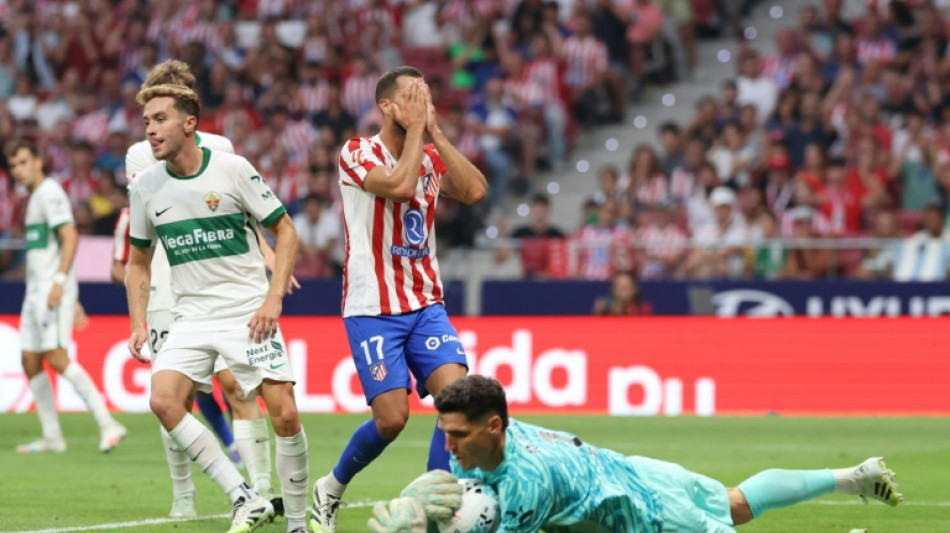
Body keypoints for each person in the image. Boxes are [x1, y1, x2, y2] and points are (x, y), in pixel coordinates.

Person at [369, 375, 902, 533]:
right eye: (444, 432)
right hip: (639, 474)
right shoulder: (491, 438)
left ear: (493, 427)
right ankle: (852, 477)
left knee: (738, 509)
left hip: (650, 518)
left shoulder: (528, 479)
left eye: (458, 435)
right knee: (737, 504)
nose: (448, 446)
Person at [310, 65, 487, 533]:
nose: (422, 101)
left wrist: (435, 133)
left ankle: (434, 510)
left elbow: (474, 190)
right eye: (413, 95)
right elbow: (400, 186)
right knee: (391, 420)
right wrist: (418, 137)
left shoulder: (428, 154)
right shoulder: (356, 151)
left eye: (426, 93)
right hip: (373, 307)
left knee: (457, 402)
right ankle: (330, 488)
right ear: (386, 106)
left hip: (425, 303)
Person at [125, 84, 308, 533]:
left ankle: (297, 523)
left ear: (190, 124)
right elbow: (138, 261)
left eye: (160, 119)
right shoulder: (145, 186)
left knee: (284, 414)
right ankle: (244, 497)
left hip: (247, 312)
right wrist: (138, 321)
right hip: (190, 316)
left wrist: (273, 297)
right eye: (146, 122)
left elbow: (286, 230)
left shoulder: (232, 169)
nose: (150, 130)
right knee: (164, 401)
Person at [8, 139, 128, 454]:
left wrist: (62, 283)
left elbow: (70, 235)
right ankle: (52, 437)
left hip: (51, 288)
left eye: (23, 162)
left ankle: (108, 423)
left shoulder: (50, 192)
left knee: (57, 357)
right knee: (29, 360)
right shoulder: (35, 196)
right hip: (36, 291)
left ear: (39, 161)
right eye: (13, 165)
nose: (18, 170)